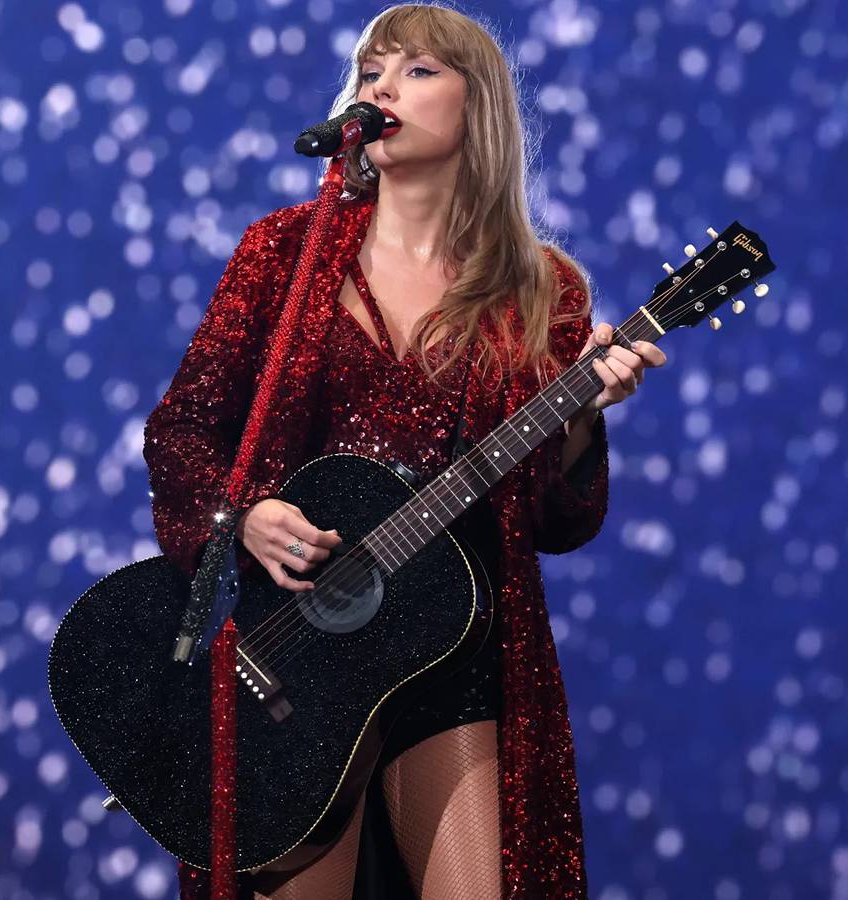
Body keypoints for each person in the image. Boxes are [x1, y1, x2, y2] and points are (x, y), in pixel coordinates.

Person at [144, 5, 666, 897]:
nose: (383, 86)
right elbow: (183, 431)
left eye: (418, 70)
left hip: (452, 651)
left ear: (478, 107)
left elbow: (556, 520)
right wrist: (246, 518)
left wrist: (584, 415)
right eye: (372, 70)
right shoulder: (283, 253)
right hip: (300, 651)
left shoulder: (543, 289)